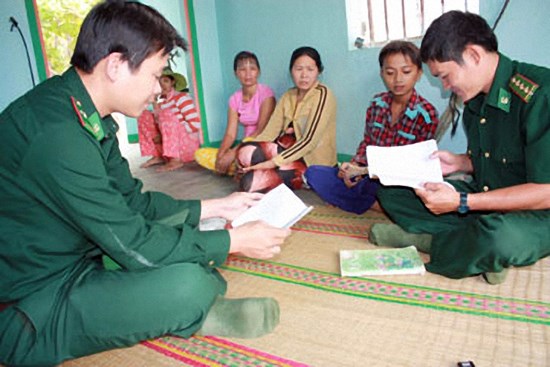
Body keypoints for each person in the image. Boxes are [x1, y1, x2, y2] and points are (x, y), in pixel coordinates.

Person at [0, 2, 290, 366]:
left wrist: (215, 207)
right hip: (34, 302)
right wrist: (234, 241)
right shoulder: (56, 134)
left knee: (195, 248)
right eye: (155, 75)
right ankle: (189, 313)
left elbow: (133, 204)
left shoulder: (88, 117)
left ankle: (175, 309)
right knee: (190, 280)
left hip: (81, 255)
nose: (159, 89)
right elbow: (133, 242)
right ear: (117, 65)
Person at [369, 11, 550, 284]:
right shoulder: (474, 100)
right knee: (393, 192)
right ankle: (475, 248)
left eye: (444, 76)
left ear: (474, 55)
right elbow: (501, 160)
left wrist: (464, 202)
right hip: (489, 196)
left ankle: (433, 242)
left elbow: (546, 192)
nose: (445, 86)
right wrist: (461, 163)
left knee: (498, 238)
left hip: (538, 213)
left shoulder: (540, 95)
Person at [304, 41, 439, 214]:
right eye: (390, 72)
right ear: (382, 73)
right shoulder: (377, 103)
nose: (398, 79)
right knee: (314, 173)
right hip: (368, 176)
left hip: (397, 182)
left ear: (419, 73)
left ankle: (368, 202)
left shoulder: (426, 114)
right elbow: (368, 141)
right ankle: (376, 205)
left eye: (406, 72)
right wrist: (354, 165)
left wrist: (364, 171)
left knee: (400, 194)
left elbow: (414, 165)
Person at [237, 46, 337, 193]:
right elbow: (269, 133)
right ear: (291, 71)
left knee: (249, 184)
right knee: (245, 151)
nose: (304, 75)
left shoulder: (323, 94)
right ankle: (260, 170)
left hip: (310, 163)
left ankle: (300, 178)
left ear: (318, 71)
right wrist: (246, 150)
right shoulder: (288, 96)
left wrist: (271, 163)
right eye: (298, 69)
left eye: (310, 69)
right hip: (284, 154)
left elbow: (309, 141)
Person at [195, 51, 276, 175]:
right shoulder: (235, 99)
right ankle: (235, 167)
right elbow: (230, 134)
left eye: (252, 69)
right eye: (242, 69)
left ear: (258, 72)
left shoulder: (266, 94)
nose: (248, 74)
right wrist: (220, 156)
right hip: (243, 146)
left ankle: (241, 166)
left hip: (262, 144)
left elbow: (261, 130)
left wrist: (233, 153)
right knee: (199, 154)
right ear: (236, 73)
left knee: (246, 156)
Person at [138, 66, 202, 172]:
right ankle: (157, 155)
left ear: (172, 83)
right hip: (169, 147)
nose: (162, 84)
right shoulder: (162, 104)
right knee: (144, 115)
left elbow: (195, 125)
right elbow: (159, 125)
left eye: (166, 81)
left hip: (186, 147)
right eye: (158, 82)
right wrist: (154, 102)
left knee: (166, 114)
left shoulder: (182, 98)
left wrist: (166, 135)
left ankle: (175, 160)